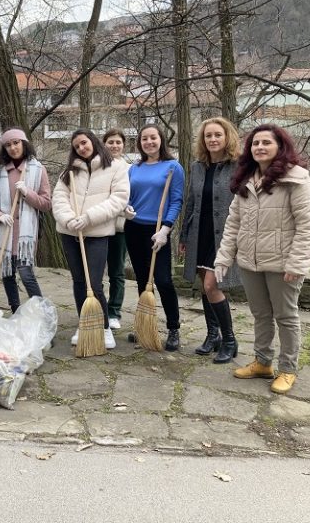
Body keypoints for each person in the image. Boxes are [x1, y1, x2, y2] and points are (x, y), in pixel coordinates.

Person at [215, 124, 310, 394]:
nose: (259, 147)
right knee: (261, 314)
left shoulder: (296, 179)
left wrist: (297, 263)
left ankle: (287, 369)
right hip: (250, 262)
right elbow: (233, 223)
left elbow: (309, 224)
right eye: (255, 143)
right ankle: (262, 362)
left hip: (283, 264)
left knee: (285, 316)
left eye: (266, 143)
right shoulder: (246, 180)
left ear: (280, 147)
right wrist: (224, 258)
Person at [52, 129, 129, 348]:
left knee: (94, 283)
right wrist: (69, 220)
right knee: (78, 281)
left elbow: (119, 199)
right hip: (70, 233)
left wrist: (88, 218)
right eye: (76, 146)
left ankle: (104, 327)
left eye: (84, 143)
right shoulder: (69, 172)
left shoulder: (114, 167)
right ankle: (84, 322)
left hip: (96, 234)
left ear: (93, 141)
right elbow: (59, 198)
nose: (81, 148)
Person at [179, 117, 242, 363]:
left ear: (227, 137)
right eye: (208, 136)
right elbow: (191, 203)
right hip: (199, 233)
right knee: (203, 285)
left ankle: (229, 340)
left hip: (224, 235)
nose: (213, 139)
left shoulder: (238, 166)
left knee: (211, 286)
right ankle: (212, 335)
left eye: (217, 135)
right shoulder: (197, 166)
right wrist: (184, 235)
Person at [124, 124, 185, 350]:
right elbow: (127, 195)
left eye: (153, 138)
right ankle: (145, 326)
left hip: (157, 230)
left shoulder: (173, 167)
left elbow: (177, 199)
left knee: (163, 281)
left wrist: (166, 229)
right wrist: (125, 208)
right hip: (134, 228)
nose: (149, 142)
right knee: (141, 280)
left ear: (161, 140)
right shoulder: (134, 168)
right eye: (144, 139)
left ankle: (173, 328)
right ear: (139, 143)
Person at [0, 128, 51, 313]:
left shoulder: (37, 169)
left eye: (16, 143)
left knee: (26, 274)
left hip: (25, 236)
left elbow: (46, 204)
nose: (13, 147)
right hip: (6, 234)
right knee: (8, 275)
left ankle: (42, 313)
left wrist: (27, 193)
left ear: (24, 144)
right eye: (8, 145)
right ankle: (16, 310)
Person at [102, 129, 129, 331]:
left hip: (119, 227)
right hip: (98, 226)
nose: (114, 145)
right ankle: (97, 308)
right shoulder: (98, 167)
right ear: (104, 144)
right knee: (94, 272)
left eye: (118, 142)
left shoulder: (129, 169)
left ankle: (114, 311)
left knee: (117, 272)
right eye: (110, 142)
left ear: (123, 145)